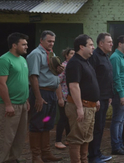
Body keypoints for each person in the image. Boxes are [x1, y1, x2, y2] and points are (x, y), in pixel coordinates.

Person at [27, 30, 63, 162]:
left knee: (47, 123)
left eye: (53, 41)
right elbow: (33, 77)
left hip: (51, 93)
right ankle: (36, 156)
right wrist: (38, 97)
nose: (51, 43)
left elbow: (53, 74)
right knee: (37, 124)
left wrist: (58, 71)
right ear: (41, 41)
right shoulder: (35, 54)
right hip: (41, 93)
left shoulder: (51, 54)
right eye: (49, 41)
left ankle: (46, 152)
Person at [65, 34, 100, 162]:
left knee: (86, 137)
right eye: (90, 45)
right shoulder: (74, 63)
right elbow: (74, 86)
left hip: (90, 106)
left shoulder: (86, 62)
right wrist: (79, 107)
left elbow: (90, 82)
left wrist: (95, 99)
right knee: (77, 138)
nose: (93, 47)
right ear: (81, 47)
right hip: (80, 106)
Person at [0, 33, 30, 163]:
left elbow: (22, 81)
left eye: (26, 44)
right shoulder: (4, 60)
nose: (26, 47)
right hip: (10, 105)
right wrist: (8, 104)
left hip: (22, 104)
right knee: (6, 136)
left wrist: (26, 100)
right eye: (23, 44)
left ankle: (13, 159)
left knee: (19, 136)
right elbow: (2, 84)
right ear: (14, 45)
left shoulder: (23, 60)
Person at [88, 33, 114, 163]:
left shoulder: (106, 57)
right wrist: (96, 97)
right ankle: (92, 156)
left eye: (112, 42)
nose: (111, 44)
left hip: (105, 97)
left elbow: (107, 78)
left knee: (101, 127)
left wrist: (109, 96)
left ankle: (97, 152)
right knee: (96, 127)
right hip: (97, 99)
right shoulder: (95, 57)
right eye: (109, 42)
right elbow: (92, 79)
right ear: (101, 43)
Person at [110, 35, 124, 155]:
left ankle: (120, 144)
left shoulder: (123, 57)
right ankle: (116, 146)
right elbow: (116, 78)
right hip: (120, 94)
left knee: (122, 120)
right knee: (117, 120)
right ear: (120, 44)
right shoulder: (115, 58)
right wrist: (121, 95)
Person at [55, 47, 74, 149]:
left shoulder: (73, 66)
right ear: (66, 55)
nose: (73, 55)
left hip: (70, 97)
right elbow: (57, 81)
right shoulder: (64, 66)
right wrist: (60, 98)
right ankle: (58, 141)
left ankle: (68, 139)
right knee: (62, 118)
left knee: (68, 119)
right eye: (71, 53)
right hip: (63, 96)